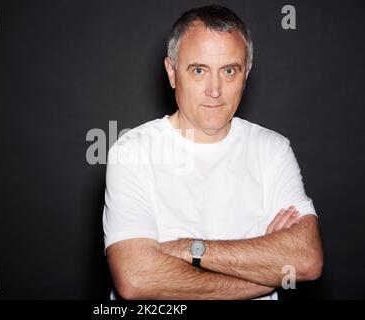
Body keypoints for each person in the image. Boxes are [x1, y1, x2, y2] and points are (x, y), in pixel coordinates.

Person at [102, 4, 323, 300]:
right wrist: (261, 279)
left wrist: (187, 248)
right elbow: (137, 279)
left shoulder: (272, 149)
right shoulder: (132, 153)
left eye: (229, 70)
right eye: (199, 70)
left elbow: (306, 259)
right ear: (172, 72)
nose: (215, 90)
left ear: (245, 75)